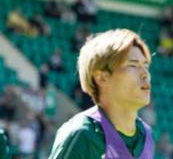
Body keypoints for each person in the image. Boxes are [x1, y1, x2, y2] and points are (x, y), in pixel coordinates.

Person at [49, 29, 154, 159]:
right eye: (133, 65)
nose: (146, 74)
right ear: (102, 78)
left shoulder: (147, 135)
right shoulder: (82, 135)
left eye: (146, 66)